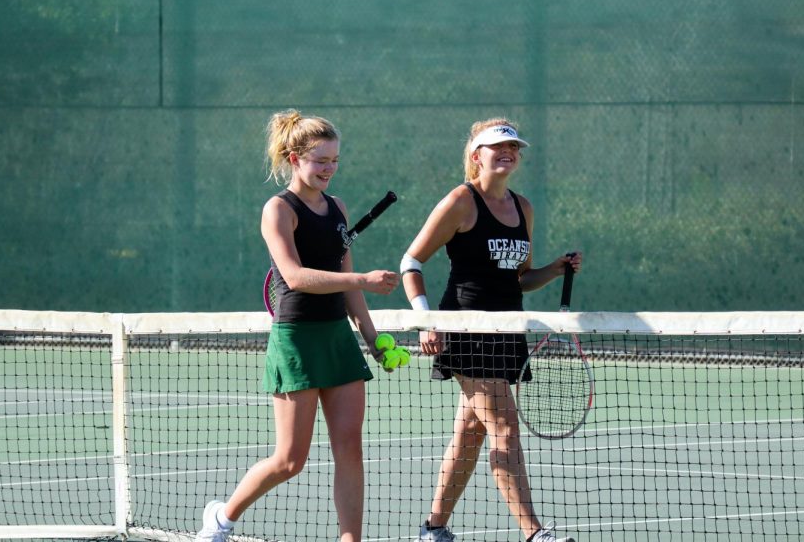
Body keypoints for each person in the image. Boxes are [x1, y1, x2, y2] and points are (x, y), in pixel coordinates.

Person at [197, 110, 399, 542]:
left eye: (335, 161)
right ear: (294, 158)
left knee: (350, 449)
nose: (328, 169)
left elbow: (348, 281)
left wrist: (372, 338)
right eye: (320, 160)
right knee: (291, 460)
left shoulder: (338, 207)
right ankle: (223, 517)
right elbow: (295, 275)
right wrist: (361, 280)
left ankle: (350, 540)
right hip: (296, 339)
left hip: (338, 341)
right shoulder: (278, 210)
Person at [400, 118, 582, 542]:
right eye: (498, 146)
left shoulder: (523, 208)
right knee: (505, 426)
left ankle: (433, 529)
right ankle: (533, 534)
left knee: (471, 433)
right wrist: (427, 319)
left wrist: (554, 270)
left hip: (507, 331)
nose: (508, 152)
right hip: (465, 330)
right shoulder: (461, 202)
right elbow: (411, 263)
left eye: (515, 147)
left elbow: (518, 277)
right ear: (476, 155)